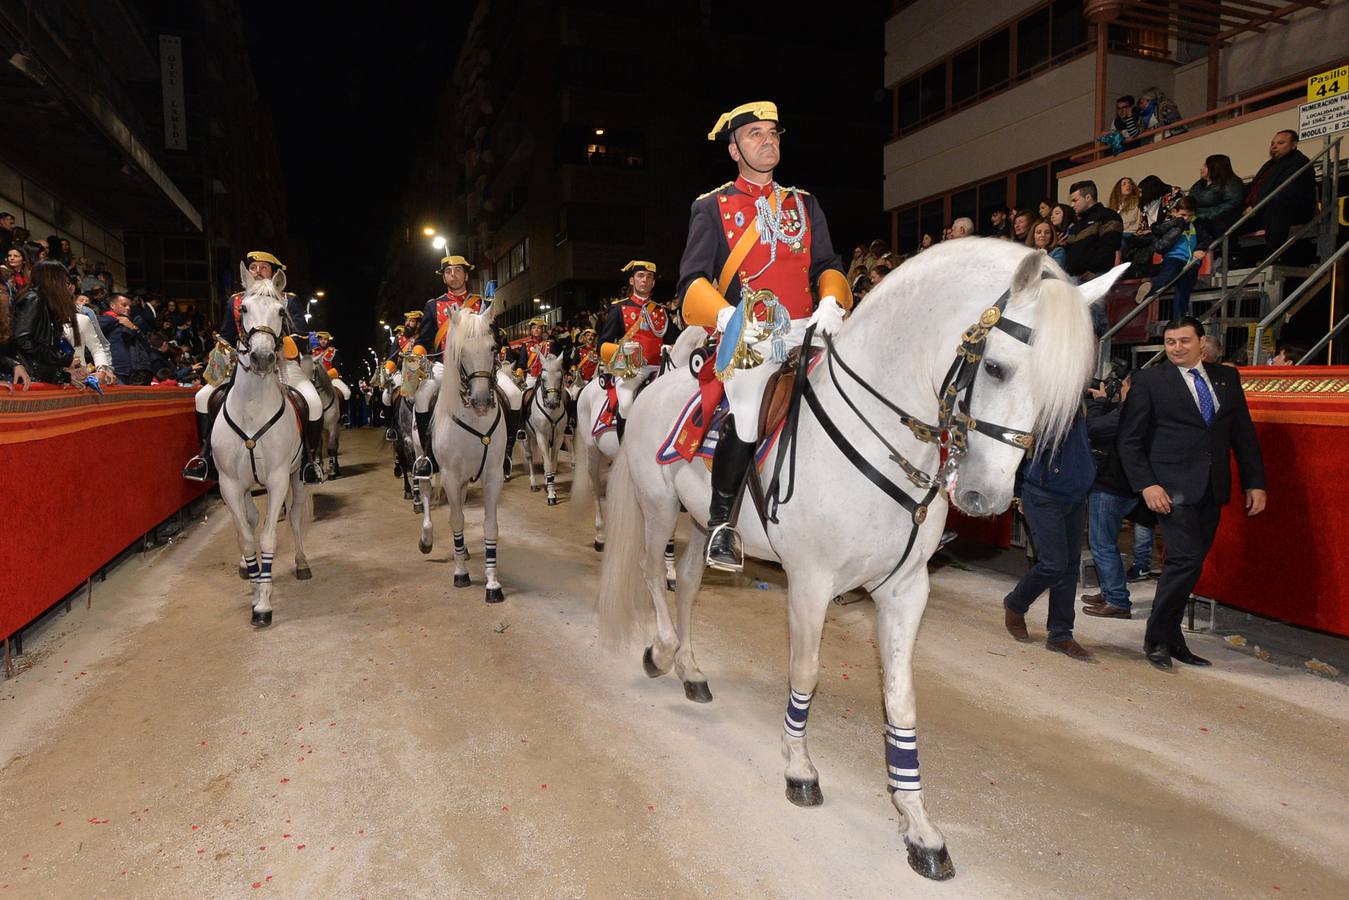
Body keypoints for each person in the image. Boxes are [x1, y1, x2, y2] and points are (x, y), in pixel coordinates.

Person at [678, 100, 851, 570]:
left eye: (773, 132)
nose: (768, 140)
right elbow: (691, 283)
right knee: (749, 407)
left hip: (807, 329)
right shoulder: (711, 207)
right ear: (734, 149)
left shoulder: (802, 202)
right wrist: (731, 318)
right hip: (750, 338)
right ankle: (721, 524)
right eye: (755, 134)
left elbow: (827, 265)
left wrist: (834, 300)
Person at [1117, 316, 1267, 670]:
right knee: (1184, 561)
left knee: (1190, 565)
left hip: (1213, 487)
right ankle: (1156, 637)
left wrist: (1255, 482)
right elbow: (1129, 440)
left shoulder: (1226, 378)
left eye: (1184, 341)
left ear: (1202, 342)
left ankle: (1172, 637)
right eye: (1170, 342)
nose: (1177, 348)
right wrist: (1147, 485)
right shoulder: (1150, 381)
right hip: (1169, 490)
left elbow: (1242, 435)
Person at [184, 250, 324, 484]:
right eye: (253, 268)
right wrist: (217, 360)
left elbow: (301, 334)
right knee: (202, 396)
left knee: (314, 402)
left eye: (263, 268)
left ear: (274, 273)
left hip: (284, 365)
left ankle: (309, 461)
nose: (257, 272)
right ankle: (207, 457)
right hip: (244, 366)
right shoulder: (236, 301)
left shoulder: (289, 299)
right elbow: (227, 336)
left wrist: (281, 343)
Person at [1002, 405, 1097, 659]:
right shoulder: (1043, 400)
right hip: (1042, 494)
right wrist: (1019, 490)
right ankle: (1016, 603)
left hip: (1074, 495)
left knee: (1068, 566)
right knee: (1054, 564)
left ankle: (1060, 633)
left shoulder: (1076, 399)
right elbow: (1019, 445)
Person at [410, 254, 486, 477]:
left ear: (466, 274)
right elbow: (424, 339)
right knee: (423, 396)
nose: (453, 275)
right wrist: (417, 353)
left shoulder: (480, 303)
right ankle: (427, 455)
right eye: (448, 272)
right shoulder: (433, 305)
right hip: (444, 366)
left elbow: (494, 335)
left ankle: (506, 449)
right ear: (444, 278)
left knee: (511, 394)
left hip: (476, 366)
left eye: (458, 271)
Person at [1080, 372, 1142, 618]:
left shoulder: (1130, 413)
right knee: (1107, 541)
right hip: (1121, 485)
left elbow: (1093, 428)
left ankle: (1117, 599)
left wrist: (1098, 403)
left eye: (1125, 385)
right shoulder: (1135, 411)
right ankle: (1109, 591)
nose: (1122, 389)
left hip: (1111, 486)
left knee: (1102, 543)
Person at [598, 260, 678, 418]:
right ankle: (625, 442)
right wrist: (620, 350)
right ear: (631, 280)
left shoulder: (661, 311)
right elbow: (602, 345)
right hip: (631, 370)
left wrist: (671, 347)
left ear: (653, 282)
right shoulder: (618, 309)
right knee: (626, 404)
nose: (644, 280)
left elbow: (674, 339)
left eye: (649, 277)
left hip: (660, 369)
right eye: (640, 276)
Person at [1242, 130, 1318, 261]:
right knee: (1227, 216)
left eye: (1280, 143)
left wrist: (1255, 206)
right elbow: (1255, 186)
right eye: (1272, 143)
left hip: (1293, 209)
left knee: (1277, 204)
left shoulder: (1298, 161)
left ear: (1293, 145)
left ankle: (1273, 256)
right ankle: (1224, 255)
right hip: (1262, 209)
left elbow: (1284, 188)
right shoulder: (1269, 164)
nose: (1274, 146)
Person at [8, 259, 81, 384]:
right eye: (64, 280)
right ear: (53, 280)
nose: (66, 285)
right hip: (28, 377)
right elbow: (23, 339)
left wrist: (64, 376)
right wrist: (60, 358)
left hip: (37, 375)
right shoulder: (34, 299)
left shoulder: (45, 303)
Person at [1144, 196, 1208, 319]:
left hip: (1191, 263)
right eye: (1183, 215)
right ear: (1175, 212)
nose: (1187, 219)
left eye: (1190, 215)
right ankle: (1150, 287)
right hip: (1174, 258)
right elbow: (1157, 231)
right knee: (1168, 274)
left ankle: (1179, 319)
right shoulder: (1171, 225)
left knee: (1183, 291)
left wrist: (1201, 248)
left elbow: (1206, 239)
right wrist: (1176, 226)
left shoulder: (1197, 225)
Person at [1063, 180, 1123, 283]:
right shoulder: (1077, 224)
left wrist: (1093, 271)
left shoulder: (1108, 216)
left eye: (1075, 200)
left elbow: (1109, 247)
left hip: (1097, 277)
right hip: (1074, 278)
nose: (1072, 205)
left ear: (1088, 197)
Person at [1190, 154, 1244, 237]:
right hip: (1199, 219)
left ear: (1215, 168)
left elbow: (1230, 205)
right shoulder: (1200, 184)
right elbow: (1191, 199)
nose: (1201, 168)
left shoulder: (1231, 183)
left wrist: (1201, 214)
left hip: (1219, 223)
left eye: (1205, 166)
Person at [311, 331, 351, 415]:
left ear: (328, 340)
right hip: (315, 379)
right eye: (321, 339)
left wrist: (325, 376)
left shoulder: (334, 352)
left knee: (347, 393)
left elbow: (336, 368)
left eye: (325, 339)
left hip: (331, 378)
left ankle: (344, 414)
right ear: (318, 341)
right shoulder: (313, 352)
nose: (323, 341)